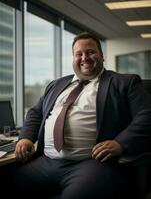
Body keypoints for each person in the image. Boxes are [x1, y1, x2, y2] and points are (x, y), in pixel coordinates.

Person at [13, 32, 151, 199]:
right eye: (79, 54)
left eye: (90, 52)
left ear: (101, 55)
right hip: (46, 161)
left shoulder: (125, 83)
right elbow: (36, 112)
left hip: (90, 163)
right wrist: (26, 138)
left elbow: (146, 114)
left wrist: (120, 143)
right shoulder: (56, 85)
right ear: (73, 58)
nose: (84, 57)